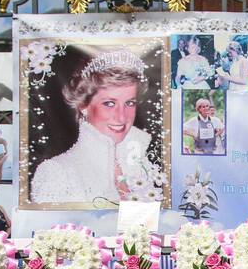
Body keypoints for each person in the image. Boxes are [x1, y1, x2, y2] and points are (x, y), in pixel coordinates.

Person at [31, 49, 160, 204]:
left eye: (129, 103)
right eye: (109, 103)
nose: (121, 116)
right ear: (83, 106)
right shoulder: (57, 172)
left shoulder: (141, 163)